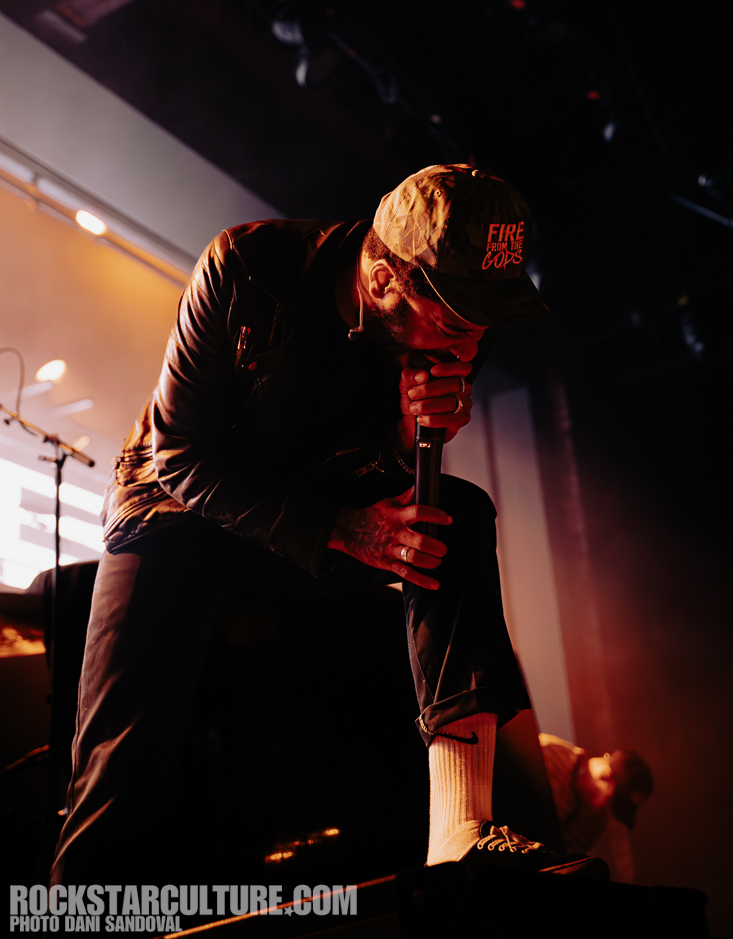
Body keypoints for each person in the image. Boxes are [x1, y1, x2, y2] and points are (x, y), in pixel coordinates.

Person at [51, 163, 599, 886]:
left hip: (321, 516)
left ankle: (464, 829)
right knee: (120, 770)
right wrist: (342, 530)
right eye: (459, 315)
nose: (475, 337)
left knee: (456, 518)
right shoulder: (247, 268)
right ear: (382, 282)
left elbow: (385, 483)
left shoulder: (463, 321)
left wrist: (408, 438)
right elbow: (182, 457)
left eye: (487, 313)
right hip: (181, 518)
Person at [539, 734, 654, 854]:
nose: (607, 814)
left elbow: (564, 862)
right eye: (610, 805)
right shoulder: (551, 756)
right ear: (604, 776)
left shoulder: (593, 821)